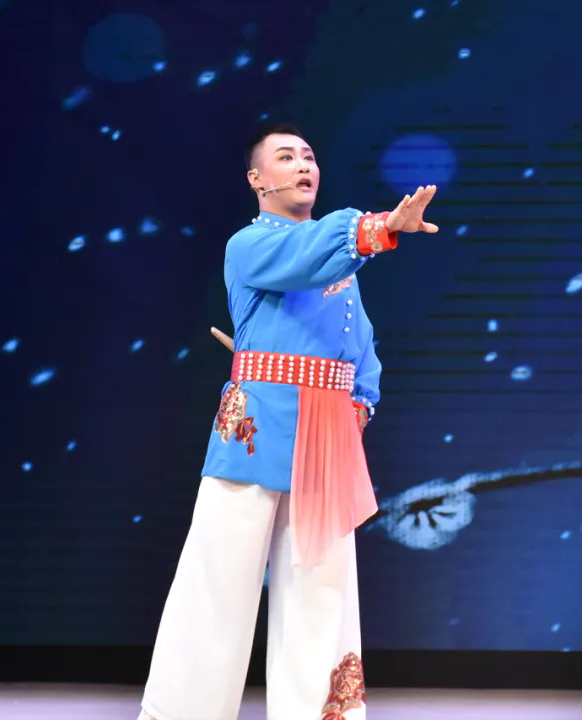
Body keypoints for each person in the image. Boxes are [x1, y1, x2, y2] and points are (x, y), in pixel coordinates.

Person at [137, 122, 438, 720]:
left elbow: (359, 342)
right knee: (219, 581)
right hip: (259, 425)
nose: (303, 165)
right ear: (257, 179)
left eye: (309, 155)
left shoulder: (338, 261)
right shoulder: (253, 244)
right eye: (286, 156)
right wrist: (377, 226)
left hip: (328, 428)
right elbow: (304, 260)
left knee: (321, 586)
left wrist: (360, 402)